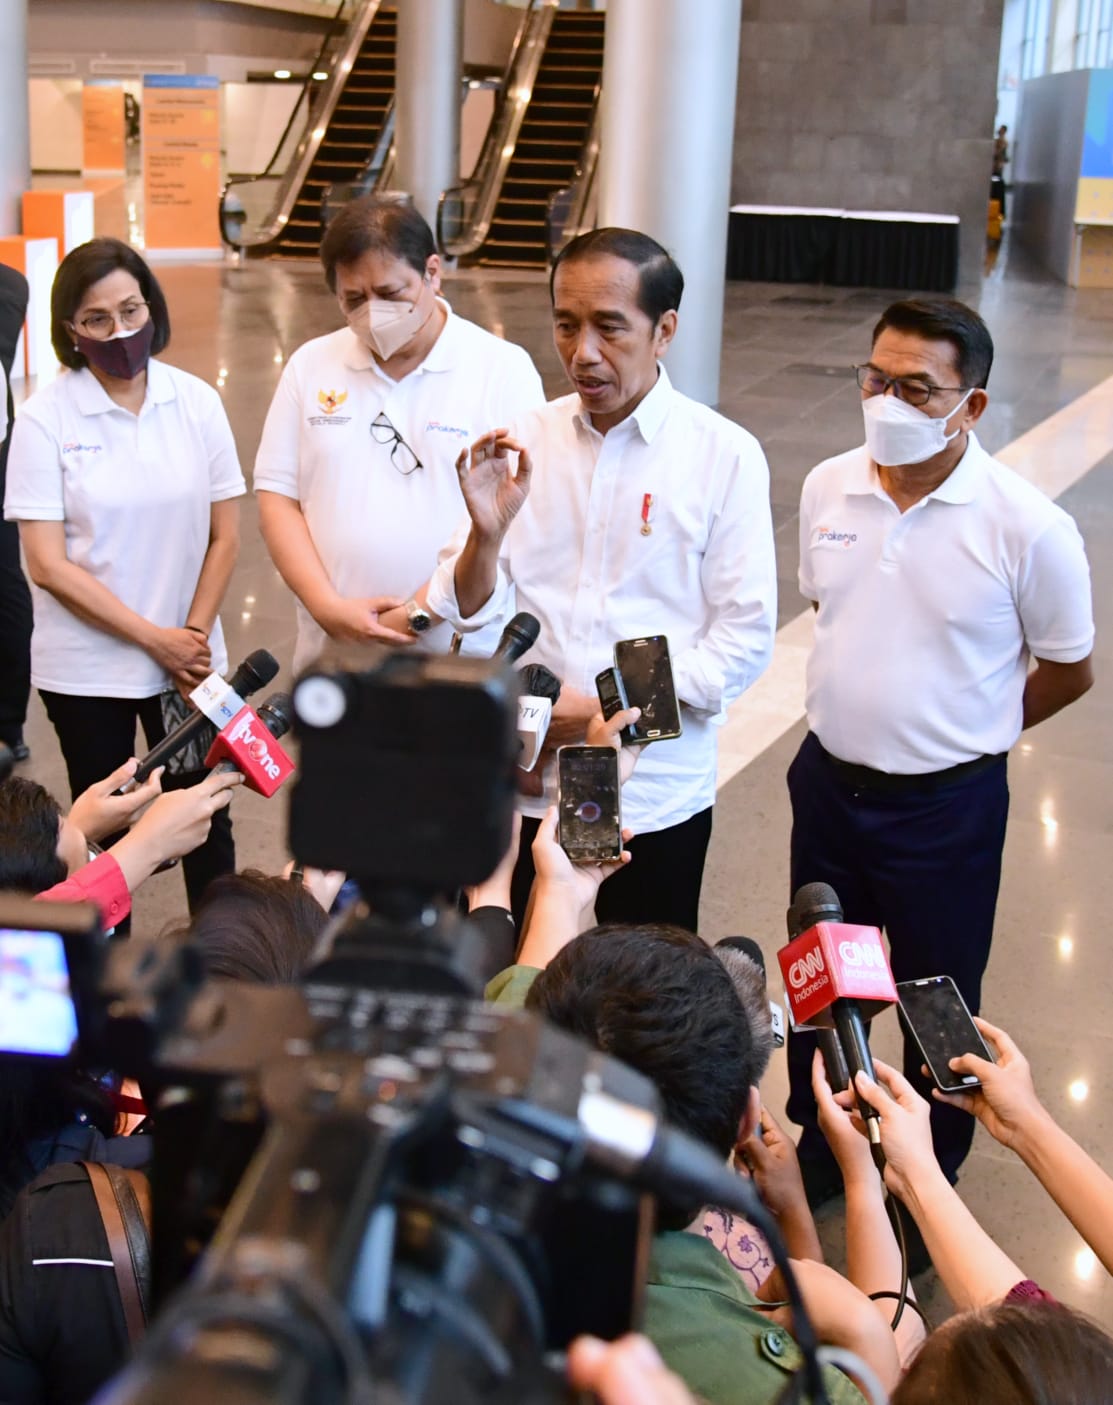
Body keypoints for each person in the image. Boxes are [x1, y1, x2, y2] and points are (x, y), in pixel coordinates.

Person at [785, 296, 1094, 1207]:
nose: (887, 402)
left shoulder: (1026, 527)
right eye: (875, 379)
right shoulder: (828, 486)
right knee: (824, 980)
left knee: (937, 996)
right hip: (828, 788)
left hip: (944, 809)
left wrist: (969, 728)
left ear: (972, 405)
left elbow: (1069, 669)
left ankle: (931, 1173)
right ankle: (825, 1139)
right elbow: (829, 609)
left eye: (917, 388)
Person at [420, 227, 777, 931]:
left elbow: (741, 643)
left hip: (651, 795)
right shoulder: (524, 439)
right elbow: (460, 615)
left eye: (610, 328)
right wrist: (485, 538)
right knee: (505, 974)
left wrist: (596, 711)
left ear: (664, 330)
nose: (583, 352)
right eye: (566, 324)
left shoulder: (724, 456)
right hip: (520, 783)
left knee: (639, 991)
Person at [3, 237, 245, 918]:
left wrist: (190, 637)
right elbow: (47, 564)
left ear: (152, 307)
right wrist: (154, 638)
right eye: (97, 319)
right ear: (70, 328)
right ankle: (108, 963)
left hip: (190, 668)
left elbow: (226, 534)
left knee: (207, 815)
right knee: (104, 836)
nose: (119, 332)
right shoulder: (46, 419)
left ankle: (226, 959)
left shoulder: (195, 401)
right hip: (88, 673)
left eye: (131, 310)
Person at [254, 194, 545, 672]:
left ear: (433, 272)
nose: (374, 312)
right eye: (354, 299)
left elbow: (517, 517)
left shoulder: (501, 369)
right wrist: (329, 610)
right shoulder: (312, 365)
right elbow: (278, 499)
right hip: (334, 655)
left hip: (458, 662)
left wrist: (413, 617)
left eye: (391, 294)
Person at [0, 262, 32, 763]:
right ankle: (10, 724)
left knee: (6, 584)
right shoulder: (9, 284)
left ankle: (7, 724)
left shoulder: (8, 286)